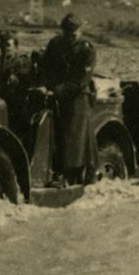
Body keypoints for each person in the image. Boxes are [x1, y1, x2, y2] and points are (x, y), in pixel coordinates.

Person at [40, 13, 99, 184]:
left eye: (73, 35)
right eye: (66, 34)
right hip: (54, 94)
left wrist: (58, 90)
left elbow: (81, 80)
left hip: (77, 98)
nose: (70, 38)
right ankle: (54, 171)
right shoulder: (55, 44)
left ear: (81, 31)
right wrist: (45, 85)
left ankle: (76, 174)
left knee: (75, 137)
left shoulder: (87, 49)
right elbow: (46, 67)